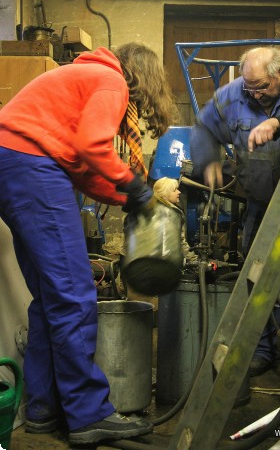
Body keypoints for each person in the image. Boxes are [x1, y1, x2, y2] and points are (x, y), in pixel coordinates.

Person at [0, 42, 177, 446]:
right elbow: (93, 146)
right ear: (144, 76)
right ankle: (89, 415)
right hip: (30, 165)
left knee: (49, 297)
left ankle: (43, 409)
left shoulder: (84, 77)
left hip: (13, 163)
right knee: (74, 295)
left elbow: (83, 171)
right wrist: (136, 187)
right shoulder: (109, 80)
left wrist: (128, 196)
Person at [190, 46, 280, 376]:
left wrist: (279, 121)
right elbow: (204, 127)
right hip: (260, 203)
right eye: (251, 88)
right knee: (256, 275)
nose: (256, 95)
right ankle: (261, 351)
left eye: (263, 87)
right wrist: (209, 162)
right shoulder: (235, 94)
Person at [153, 177, 198, 264]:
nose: (179, 192)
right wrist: (193, 260)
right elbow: (179, 242)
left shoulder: (151, 209)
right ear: (165, 194)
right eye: (174, 190)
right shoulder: (170, 214)